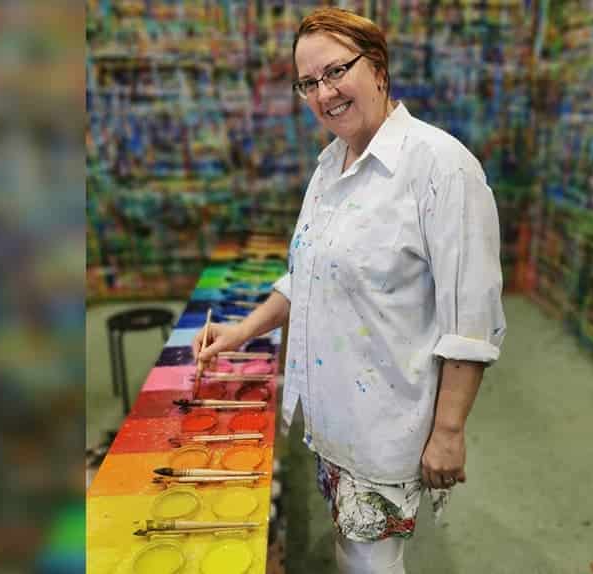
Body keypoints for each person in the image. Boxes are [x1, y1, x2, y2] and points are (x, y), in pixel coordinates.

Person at [193, 7, 506, 573]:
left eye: (336, 71)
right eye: (308, 82)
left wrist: (449, 431)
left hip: (385, 425)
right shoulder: (330, 165)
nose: (324, 93)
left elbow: (472, 319)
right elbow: (305, 276)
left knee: (371, 563)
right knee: (352, 548)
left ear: (378, 68)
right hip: (332, 419)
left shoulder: (441, 168)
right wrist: (241, 332)